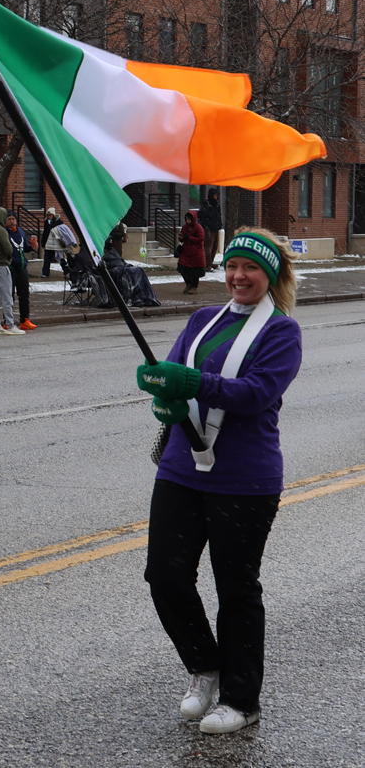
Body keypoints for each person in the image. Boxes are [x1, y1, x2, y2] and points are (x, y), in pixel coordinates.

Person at [137, 227, 301, 735]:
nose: (238, 276)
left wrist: (191, 383)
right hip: (182, 471)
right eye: (232, 266)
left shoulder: (281, 332)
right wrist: (163, 389)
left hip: (244, 480)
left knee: (236, 588)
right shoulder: (202, 319)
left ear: (270, 275)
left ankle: (240, 698)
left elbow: (254, 394)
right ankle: (205, 667)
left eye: (250, 268)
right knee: (164, 577)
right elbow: (176, 375)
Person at [0, 207, 25, 335]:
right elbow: (8, 249)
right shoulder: (1, 230)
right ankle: (10, 325)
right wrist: (8, 257)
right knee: (7, 296)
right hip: (1, 265)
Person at [103, 237, 161, 307]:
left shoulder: (113, 250)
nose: (111, 241)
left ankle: (144, 295)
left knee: (139, 270)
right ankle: (133, 297)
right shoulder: (104, 252)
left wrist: (126, 265)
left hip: (122, 267)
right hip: (114, 270)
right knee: (128, 272)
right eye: (110, 240)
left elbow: (121, 260)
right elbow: (107, 264)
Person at [5, 211, 37, 331]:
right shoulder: (5, 233)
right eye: (9, 219)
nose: (12, 221)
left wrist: (32, 247)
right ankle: (7, 321)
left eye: (13, 219)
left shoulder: (20, 231)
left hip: (22, 268)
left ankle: (25, 319)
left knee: (24, 295)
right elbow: (6, 251)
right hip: (11, 268)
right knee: (9, 296)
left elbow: (24, 248)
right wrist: (13, 261)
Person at [177, 211, 206, 295]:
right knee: (183, 268)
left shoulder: (198, 228)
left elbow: (200, 239)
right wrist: (181, 238)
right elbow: (182, 238)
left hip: (196, 253)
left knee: (195, 271)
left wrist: (189, 237)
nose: (188, 221)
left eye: (189, 219)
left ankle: (194, 287)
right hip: (186, 251)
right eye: (187, 219)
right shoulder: (185, 227)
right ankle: (188, 284)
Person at [197, 187, 222, 271]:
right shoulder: (207, 204)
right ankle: (207, 264)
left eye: (217, 195)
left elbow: (218, 215)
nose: (216, 196)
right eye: (215, 195)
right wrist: (209, 225)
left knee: (215, 247)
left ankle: (210, 262)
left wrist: (219, 224)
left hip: (216, 228)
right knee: (208, 247)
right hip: (209, 229)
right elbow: (203, 216)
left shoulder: (216, 204)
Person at [40, 207, 62, 278]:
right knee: (46, 259)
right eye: (48, 215)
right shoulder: (46, 222)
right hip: (49, 243)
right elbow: (45, 233)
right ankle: (45, 273)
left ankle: (67, 271)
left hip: (56, 243)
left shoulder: (59, 223)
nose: (49, 216)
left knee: (60, 258)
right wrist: (43, 242)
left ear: (53, 215)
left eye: (50, 215)